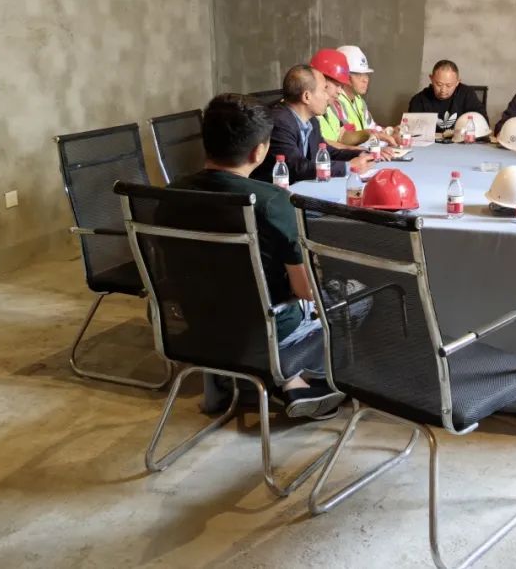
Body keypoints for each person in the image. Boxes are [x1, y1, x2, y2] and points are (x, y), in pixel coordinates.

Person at [169, 93, 341, 419]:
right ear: (259, 151)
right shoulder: (271, 201)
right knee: (357, 296)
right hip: (265, 330)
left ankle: (252, 381)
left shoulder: (167, 196)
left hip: (197, 326)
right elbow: (306, 290)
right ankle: (290, 376)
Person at [253, 64, 372, 184]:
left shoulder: (312, 120)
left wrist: (360, 154)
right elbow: (297, 167)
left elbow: (327, 152)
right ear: (307, 96)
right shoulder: (280, 122)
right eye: (324, 90)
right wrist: (348, 166)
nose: (327, 96)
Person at [334, 45, 397, 146]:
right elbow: (341, 139)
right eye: (359, 74)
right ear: (344, 75)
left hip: (364, 152)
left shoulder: (359, 101)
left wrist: (391, 131)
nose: (365, 79)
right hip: (350, 154)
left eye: (366, 74)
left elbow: (371, 127)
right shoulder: (334, 101)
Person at [407, 59, 488, 135]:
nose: (443, 90)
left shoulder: (467, 94)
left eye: (449, 85)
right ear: (431, 79)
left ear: (457, 82)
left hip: (461, 142)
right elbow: (411, 133)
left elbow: (483, 123)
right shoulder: (419, 100)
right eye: (439, 84)